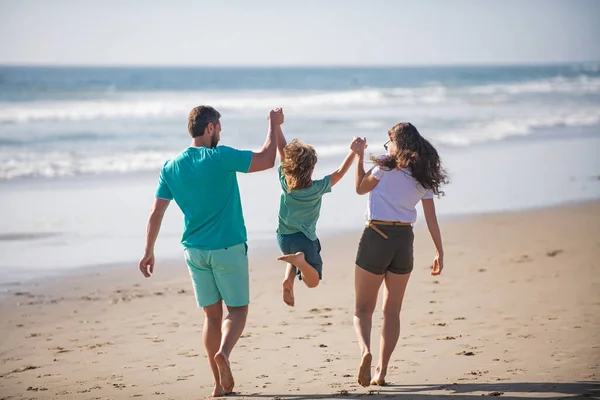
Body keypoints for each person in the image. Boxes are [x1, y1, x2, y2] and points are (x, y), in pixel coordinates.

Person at [139, 105, 284, 397]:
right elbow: (268, 159)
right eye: (219, 127)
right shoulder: (220, 156)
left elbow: (156, 213)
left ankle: (218, 385)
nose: (221, 132)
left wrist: (148, 251)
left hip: (194, 251)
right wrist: (273, 123)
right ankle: (225, 354)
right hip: (227, 247)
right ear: (209, 128)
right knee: (238, 310)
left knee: (211, 317)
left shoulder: (170, 166)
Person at [350, 122, 448, 387]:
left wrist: (359, 155)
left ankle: (365, 352)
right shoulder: (422, 176)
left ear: (397, 144)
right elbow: (431, 219)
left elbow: (360, 187)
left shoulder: (384, 167)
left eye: (389, 142)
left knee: (362, 310)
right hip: (404, 240)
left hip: (376, 236)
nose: (387, 147)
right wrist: (439, 251)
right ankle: (381, 372)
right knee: (392, 311)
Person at [274, 122, 356, 307]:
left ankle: (289, 279)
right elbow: (340, 172)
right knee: (313, 280)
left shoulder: (285, 183)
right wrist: (354, 152)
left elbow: (282, 149)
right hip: (305, 239)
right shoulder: (318, 188)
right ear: (311, 168)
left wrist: (277, 126)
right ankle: (299, 264)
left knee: (295, 255)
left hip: (283, 239)